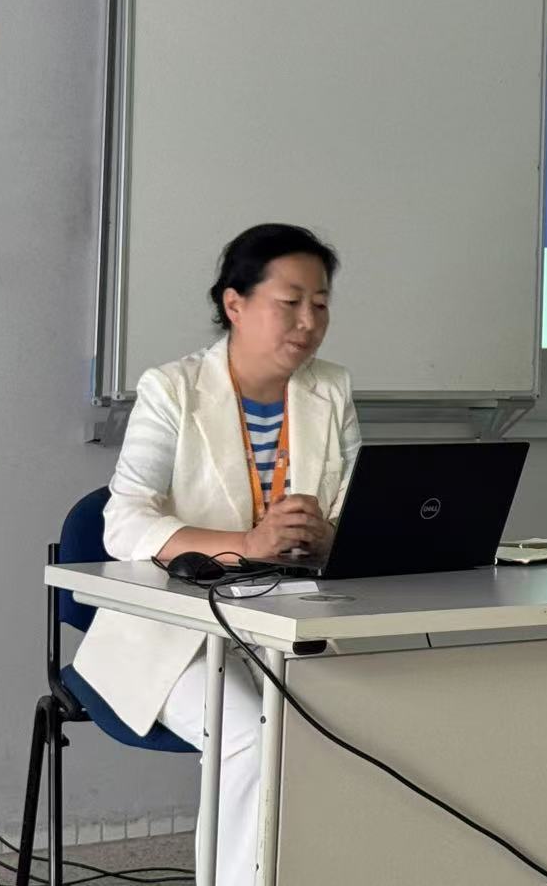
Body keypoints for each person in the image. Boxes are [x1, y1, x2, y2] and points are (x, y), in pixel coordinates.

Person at [72, 223, 360, 886]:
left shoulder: (331, 389)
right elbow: (123, 520)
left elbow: (353, 511)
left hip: (287, 619)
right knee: (252, 736)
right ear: (235, 303)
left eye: (320, 303)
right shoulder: (173, 388)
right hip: (171, 631)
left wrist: (329, 536)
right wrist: (246, 545)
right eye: (290, 302)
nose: (309, 321)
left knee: (354, 727)